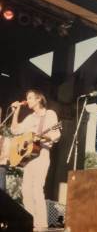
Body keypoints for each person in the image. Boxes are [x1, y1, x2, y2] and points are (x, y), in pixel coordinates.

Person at [11, 89, 61, 231]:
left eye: (31, 98)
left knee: (37, 189)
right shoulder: (30, 118)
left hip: (42, 154)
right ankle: (30, 223)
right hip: (29, 157)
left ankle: (42, 225)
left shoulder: (49, 114)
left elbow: (56, 134)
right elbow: (15, 130)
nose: (28, 100)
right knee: (26, 190)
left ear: (39, 99)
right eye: (27, 98)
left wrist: (42, 138)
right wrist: (16, 111)